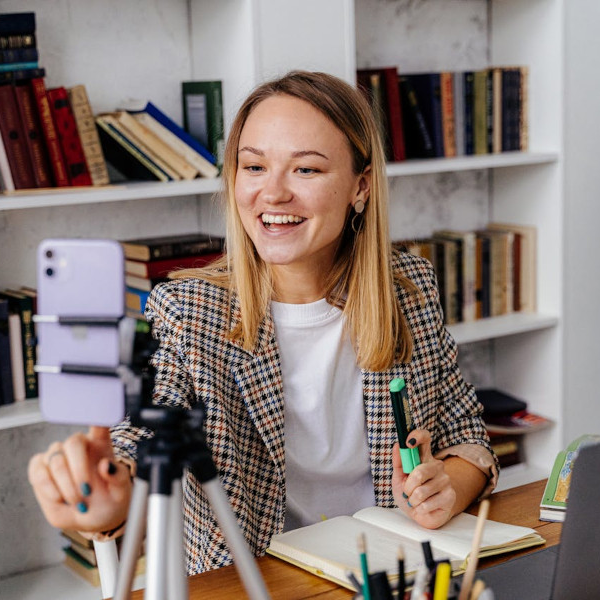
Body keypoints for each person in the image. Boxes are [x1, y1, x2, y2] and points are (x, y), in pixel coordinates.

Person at [28, 70, 499, 575]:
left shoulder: (409, 288)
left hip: (391, 569)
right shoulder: (187, 311)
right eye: (253, 166)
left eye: (306, 170)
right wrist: (108, 493)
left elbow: (464, 431)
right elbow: (137, 442)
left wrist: (447, 487)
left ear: (360, 187)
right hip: (257, 579)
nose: (272, 194)